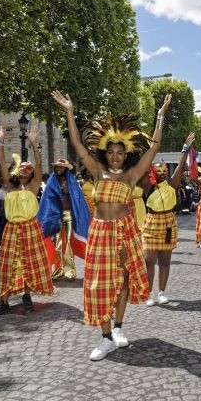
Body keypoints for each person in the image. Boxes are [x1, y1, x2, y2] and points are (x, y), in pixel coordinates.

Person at [52, 89, 170, 361]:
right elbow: (78, 145)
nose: (115, 156)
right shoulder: (97, 171)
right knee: (96, 283)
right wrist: (70, 111)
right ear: (105, 153)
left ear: (125, 153)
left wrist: (160, 117)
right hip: (100, 233)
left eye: (120, 152)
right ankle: (104, 338)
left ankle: (117, 328)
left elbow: (153, 147)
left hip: (124, 231)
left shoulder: (131, 175)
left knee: (123, 280)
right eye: (111, 152)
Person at [0, 124, 53, 316]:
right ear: (18, 171)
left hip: (30, 227)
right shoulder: (11, 185)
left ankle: (26, 296)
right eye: (23, 168)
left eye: (29, 168)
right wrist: (0, 142)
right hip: (11, 228)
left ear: (32, 172)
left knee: (29, 263)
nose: (26, 169)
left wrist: (34, 144)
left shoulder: (34, 185)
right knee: (7, 264)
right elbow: (2, 165)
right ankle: (4, 301)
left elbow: (40, 164)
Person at [143, 133, 195, 306]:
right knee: (149, 260)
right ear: (153, 171)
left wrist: (185, 149)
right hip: (152, 222)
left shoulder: (172, 184)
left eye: (165, 171)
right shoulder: (147, 185)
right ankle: (149, 293)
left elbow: (180, 166)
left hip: (168, 223)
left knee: (165, 260)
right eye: (159, 171)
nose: (163, 174)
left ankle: (162, 292)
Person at [37, 158, 90, 281]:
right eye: (57, 167)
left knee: (68, 243)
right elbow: (47, 199)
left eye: (61, 167)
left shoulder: (71, 182)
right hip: (55, 216)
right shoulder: (51, 181)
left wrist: (67, 192)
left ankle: (69, 271)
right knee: (57, 244)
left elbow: (77, 199)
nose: (58, 169)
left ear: (66, 169)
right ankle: (58, 270)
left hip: (69, 215)